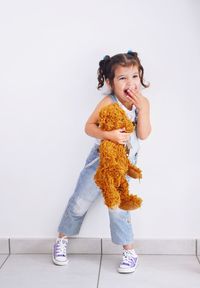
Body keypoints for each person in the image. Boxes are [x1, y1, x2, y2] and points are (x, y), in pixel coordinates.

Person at [52, 51, 151, 273]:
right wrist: (110, 135)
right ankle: (61, 239)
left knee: (118, 207)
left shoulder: (142, 103)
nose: (131, 83)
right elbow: (89, 127)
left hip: (122, 165)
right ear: (110, 82)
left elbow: (143, 135)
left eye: (134, 76)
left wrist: (143, 110)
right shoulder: (108, 102)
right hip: (99, 161)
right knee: (79, 201)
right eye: (122, 78)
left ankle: (129, 251)